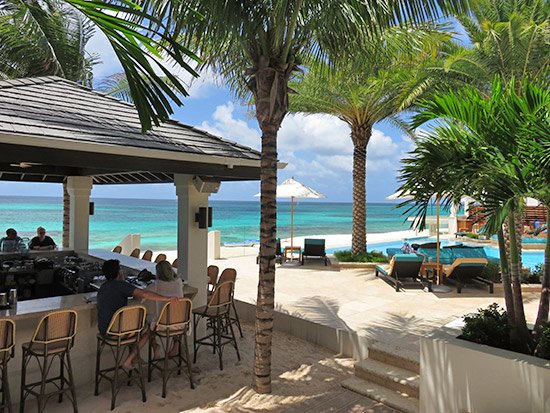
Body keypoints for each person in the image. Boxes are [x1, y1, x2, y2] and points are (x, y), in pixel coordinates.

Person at [97, 259, 178, 369]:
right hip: (119, 331)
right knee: (146, 327)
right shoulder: (121, 285)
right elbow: (144, 294)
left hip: (105, 331)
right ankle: (133, 358)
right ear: (119, 272)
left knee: (136, 325)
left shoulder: (102, 287)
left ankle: (137, 357)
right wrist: (167, 299)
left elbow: (138, 296)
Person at [145, 260, 184, 358]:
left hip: (163, 325)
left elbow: (143, 294)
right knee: (172, 314)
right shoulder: (179, 282)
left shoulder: (156, 284)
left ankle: (155, 345)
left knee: (147, 319)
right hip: (181, 323)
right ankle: (176, 343)